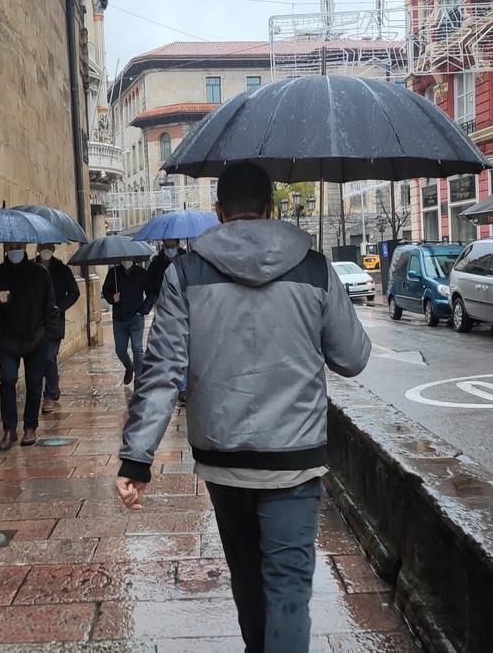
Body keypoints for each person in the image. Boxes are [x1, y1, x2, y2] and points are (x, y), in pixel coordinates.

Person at [115, 163, 371, 653]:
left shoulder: (186, 272)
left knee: (248, 583)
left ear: (217, 212)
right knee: (290, 590)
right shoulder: (314, 267)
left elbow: (162, 369)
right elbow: (353, 358)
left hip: (224, 458)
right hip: (295, 459)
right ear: (272, 209)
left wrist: (137, 458)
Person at [0, 242, 56, 451]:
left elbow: (49, 305)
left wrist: (48, 334)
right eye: (10, 244)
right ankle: (9, 429)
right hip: (8, 339)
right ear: (5, 246)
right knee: (7, 380)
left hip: (36, 338)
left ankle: (30, 427)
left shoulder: (40, 273)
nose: (14, 247)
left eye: (18, 244)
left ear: (25, 245)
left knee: (34, 382)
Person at [35, 243, 81, 414]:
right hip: (35, 322)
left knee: (49, 356)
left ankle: (49, 395)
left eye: (49, 245)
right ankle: (53, 385)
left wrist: (59, 307)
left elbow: (74, 292)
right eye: (43, 245)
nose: (46, 248)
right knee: (40, 360)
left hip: (54, 321)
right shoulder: (31, 268)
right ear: (38, 247)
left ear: (54, 248)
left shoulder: (62, 270)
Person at [145, 239, 188, 401]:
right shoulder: (156, 263)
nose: (169, 246)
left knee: (185, 344)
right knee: (169, 345)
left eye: (172, 244)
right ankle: (173, 379)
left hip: (185, 306)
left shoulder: (186, 258)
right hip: (164, 307)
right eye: (166, 244)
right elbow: (149, 285)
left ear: (177, 242)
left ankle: (183, 386)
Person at [102, 256, 153, 386]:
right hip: (119, 318)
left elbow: (151, 294)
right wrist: (112, 298)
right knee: (120, 350)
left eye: (129, 257)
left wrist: (143, 310)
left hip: (136, 317)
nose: (126, 259)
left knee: (137, 348)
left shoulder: (142, 273)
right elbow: (106, 291)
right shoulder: (113, 273)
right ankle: (129, 367)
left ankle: (140, 380)